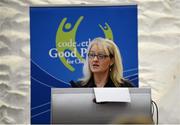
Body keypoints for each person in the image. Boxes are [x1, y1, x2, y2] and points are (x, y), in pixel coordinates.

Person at [70, 37, 134, 87]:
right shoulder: (79, 87)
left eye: (101, 56)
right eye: (92, 55)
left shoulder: (125, 87)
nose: (95, 59)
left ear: (112, 61)